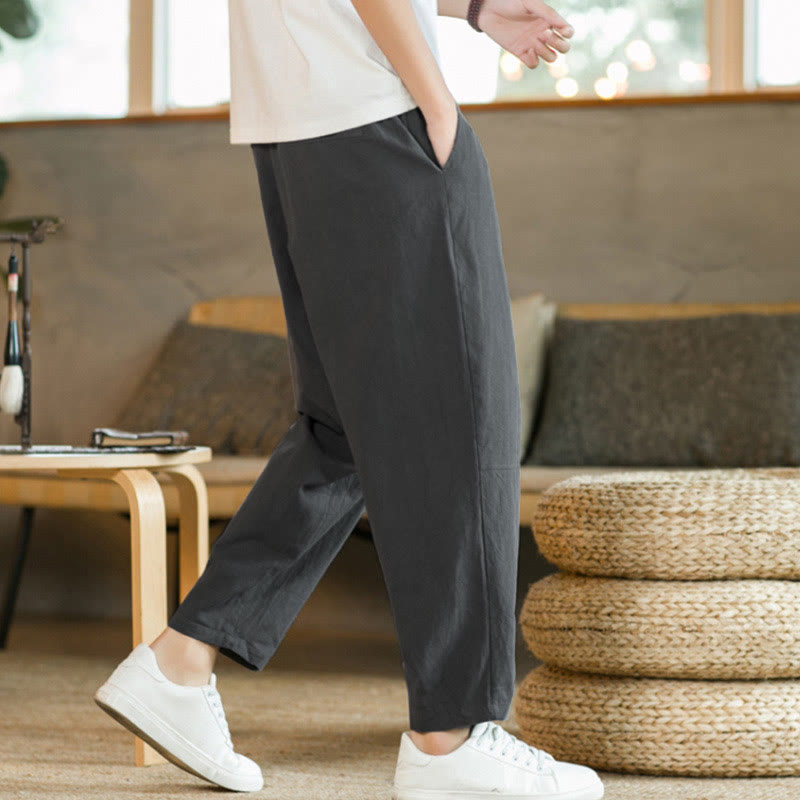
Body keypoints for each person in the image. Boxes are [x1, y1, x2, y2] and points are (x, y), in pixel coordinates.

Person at [94, 1, 604, 797]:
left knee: (343, 430)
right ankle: (453, 738)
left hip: (299, 126)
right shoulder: (401, 107)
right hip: (377, 118)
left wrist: (468, 8)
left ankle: (181, 662)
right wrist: (434, 98)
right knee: (461, 419)